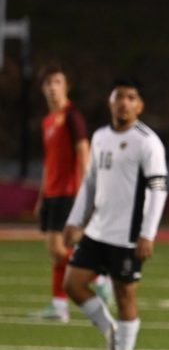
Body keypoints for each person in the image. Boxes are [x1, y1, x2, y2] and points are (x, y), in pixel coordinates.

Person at [63, 77, 167, 350]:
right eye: (119, 96)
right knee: (73, 283)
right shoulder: (99, 137)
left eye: (131, 97)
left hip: (128, 235)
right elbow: (90, 182)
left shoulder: (147, 141)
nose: (124, 102)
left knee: (125, 296)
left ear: (140, 105)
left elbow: (159, 190)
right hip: (97, 231)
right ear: (110, 102)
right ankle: (112, 333)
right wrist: (75, 220)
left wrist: (148, 233)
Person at [28, 64, 111, 321]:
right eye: (48, 83)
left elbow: (83, 149)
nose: (53, 87)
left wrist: (87, 188)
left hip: (68, 190)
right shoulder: (48, 121)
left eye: (57, 82)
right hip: (52, 193)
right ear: (42, 88)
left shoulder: (72, 115)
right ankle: (60, 305)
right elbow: (49, 161)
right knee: (56, 250)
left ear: (66, 86)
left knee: (58, 246)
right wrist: (41, 196)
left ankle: (99, 278)